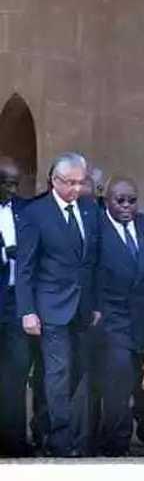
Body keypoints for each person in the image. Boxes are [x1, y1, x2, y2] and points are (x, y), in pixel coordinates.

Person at [16, 152, 101, 457]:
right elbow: (25, 268)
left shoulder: (90, 211)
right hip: (50, 307)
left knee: (75, 370)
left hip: (81, 308)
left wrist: (95, 304)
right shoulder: (35, 213)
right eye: (71, 183)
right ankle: (60, 440)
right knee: (58, 371)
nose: (77, 189)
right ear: (55, 180)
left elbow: (92, 262)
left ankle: (47, 426)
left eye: (82, 182)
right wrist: (27, 310)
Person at [95, 178, 144, 456]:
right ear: (108, 200)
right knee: (118, 382)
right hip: (113, 319)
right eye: (119, 200)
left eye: (132, 200)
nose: (126, 206)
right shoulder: (97, 230)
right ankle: (116, 443)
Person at [0, 157, 31, 457]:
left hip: (15, 303)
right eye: (5, 183)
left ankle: (14, 442)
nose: (11, 189)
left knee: (16, 372)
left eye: (14, 183)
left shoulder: (24, 211)